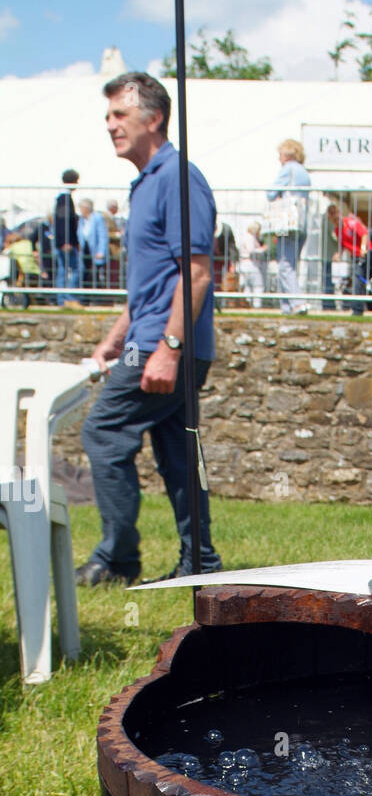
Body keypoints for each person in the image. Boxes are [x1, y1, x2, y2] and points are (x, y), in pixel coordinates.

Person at [76, 71, 222, 586]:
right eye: (109, 116)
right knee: (178, 455)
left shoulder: (177, 178)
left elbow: (197, 271)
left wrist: (168, 348)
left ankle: (118, 561)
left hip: (167, 345)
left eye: (120, 114)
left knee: (103, 432)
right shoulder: (150, 182)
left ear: (153, 117)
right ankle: (199, 562)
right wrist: (117, 336)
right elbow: (154, 281)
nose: (111, 125)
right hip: (159, 340)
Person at [266, 138, 310, 314]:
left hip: (286, 222)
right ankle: (287, 306)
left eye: (280, 154)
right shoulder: (304, 172)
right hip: (301, 222)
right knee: (291, 263)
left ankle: (297, 303)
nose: (279, 158)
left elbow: (271, 193)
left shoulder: (288, 169)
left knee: (285, 263)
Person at [53, 168, 81, 306]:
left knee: (62, 270)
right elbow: (63, 222)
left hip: (62, 241)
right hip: (66, 242)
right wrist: (66, 241)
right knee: (74, 269)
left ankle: (62, 299)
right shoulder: (65, 199)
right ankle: (68, 297)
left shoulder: (61, 198)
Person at [337, 203, 369, 316]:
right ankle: (357, 309)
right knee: (358, 281)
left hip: (368, 253)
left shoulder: (351, 222)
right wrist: (338, 254)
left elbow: (364, 233)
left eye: (335, 212)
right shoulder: (338, 230)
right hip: (356, 257)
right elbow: (342, 244)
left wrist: (363, 248)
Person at [77, 198, 109, 299]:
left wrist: (101, 251)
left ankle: (97, 297)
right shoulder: (81, 220)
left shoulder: (97, 218)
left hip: (95, 250)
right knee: (85, 274)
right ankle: (85, 297)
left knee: (95, 274)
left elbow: (102, 235)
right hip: (84, 249)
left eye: (82, 208)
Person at [238, 221, 267, 307]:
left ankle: (247, 303)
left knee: (247, 286)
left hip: (245, 264)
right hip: (251, 264)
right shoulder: (250, 238)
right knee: (258, 285)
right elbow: (251, 251)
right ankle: (256, 304)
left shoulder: (245, 237)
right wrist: (263, 249)